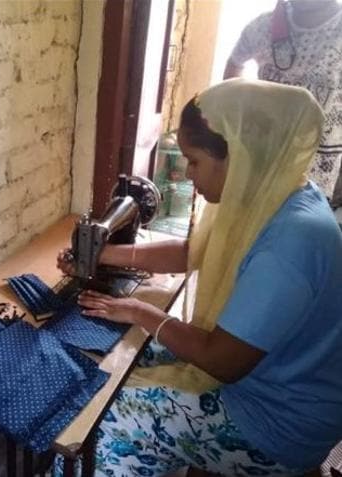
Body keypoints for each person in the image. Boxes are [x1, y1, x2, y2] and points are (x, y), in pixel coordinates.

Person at [57, 79, 342, 476]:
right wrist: (102, 254)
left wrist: (141, 312)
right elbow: (193, 252)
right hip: (273, 382)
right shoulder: (277, 194)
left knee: (99, 420)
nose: (188, 174)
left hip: (275, 424)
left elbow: (220, 361)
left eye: (195, 161)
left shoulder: (290, 244)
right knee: (120, 361)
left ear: (239, 157)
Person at [224, 0, 342, 213]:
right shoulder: (264, 26)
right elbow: (235, 63)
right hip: (261, 167)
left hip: (321, 178)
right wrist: (237, 124)